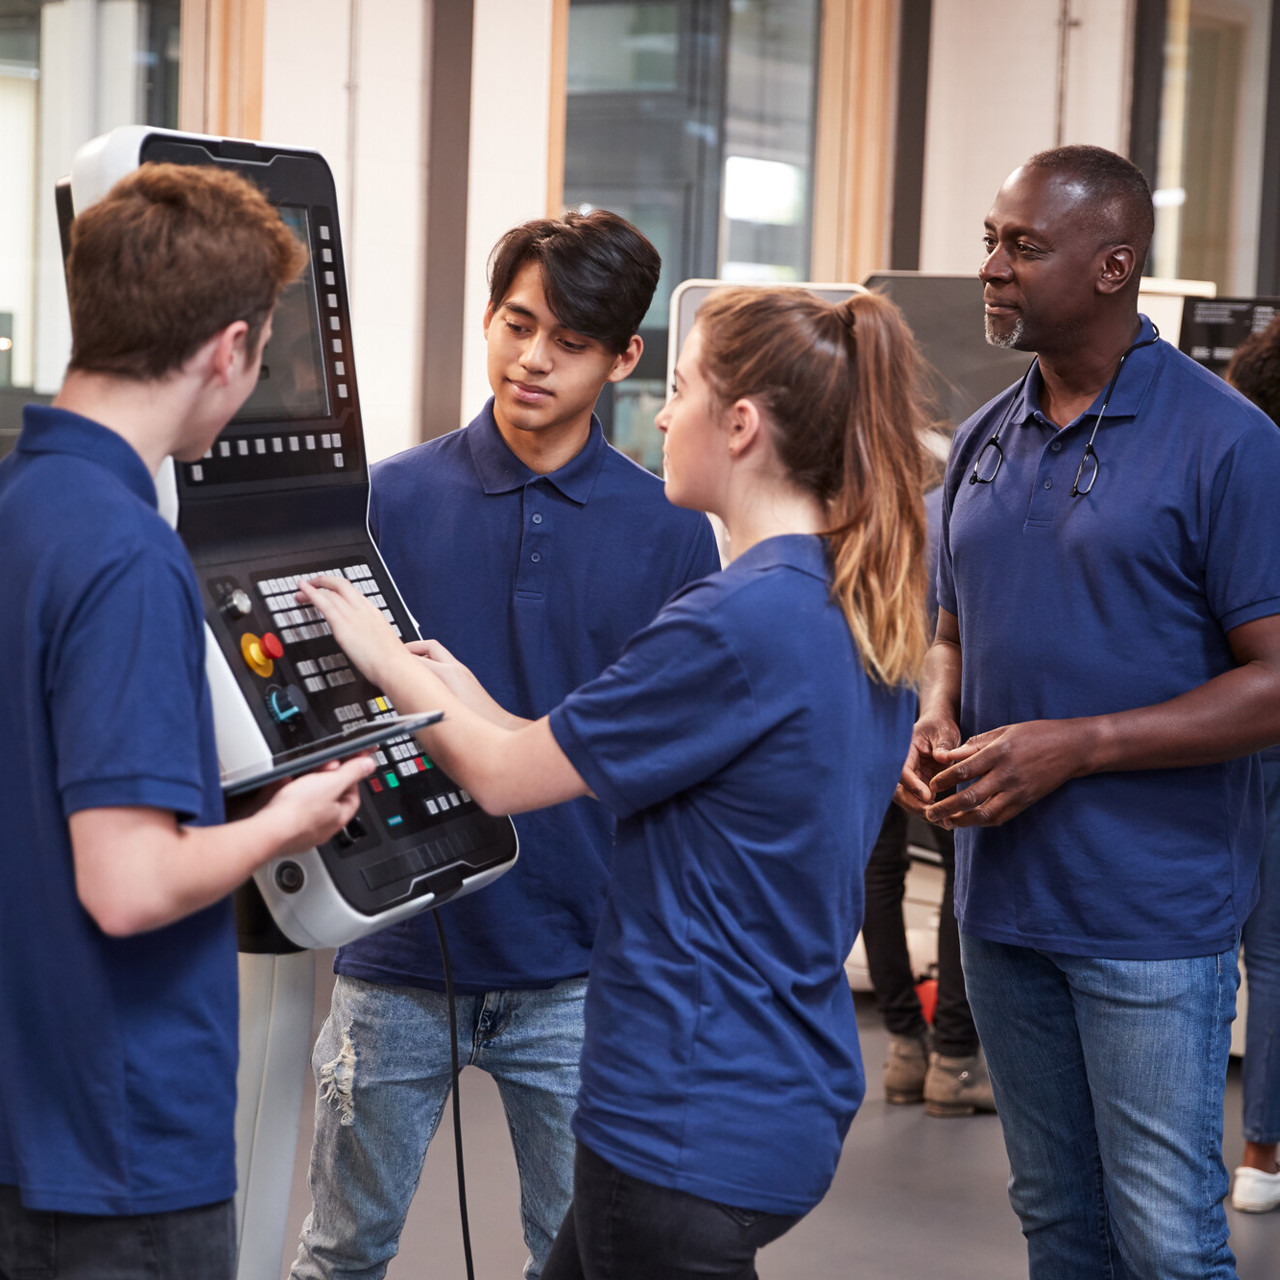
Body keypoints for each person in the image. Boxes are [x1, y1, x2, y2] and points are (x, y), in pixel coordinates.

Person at [295, 283, 932, 1280]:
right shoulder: (834, 597)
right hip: (770, 1088)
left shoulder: (732, 623)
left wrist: (378, 655)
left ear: (741, 425)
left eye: (677, 391)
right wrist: (462, 689)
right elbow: (577, 756)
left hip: (686, 1110)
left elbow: (504, 778)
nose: (664, 415)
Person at [290, 211, 720, 1280]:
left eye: (569, 342)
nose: (532, 359)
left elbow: (672, 755)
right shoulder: (385, 497)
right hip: (394, 949)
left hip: (577, 967)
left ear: (624, 358)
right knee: (340, 1252)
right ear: (487, 318)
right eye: (516, 323)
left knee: (573, 1258)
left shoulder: (670, 526)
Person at [896, 143, 1280, 1279]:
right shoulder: (982, 438)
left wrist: (1081, 745)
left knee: (1165, 1240)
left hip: (1150, 920)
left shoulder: (1229, 444)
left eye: (1023, 246)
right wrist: (934, 709)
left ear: (1112, 265)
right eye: (989, 241)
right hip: (1002, 908)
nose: (992, 269)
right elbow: (950, 627)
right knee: (1058, 1228)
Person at [0, 163, 373, 1280]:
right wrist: (288, 818)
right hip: (120, 1148)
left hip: (28, 1106)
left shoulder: (22, 507)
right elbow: (128, 881)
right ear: (229, 350)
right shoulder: (125, 556)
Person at [865, 485, 994, 1117]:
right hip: (939, 719)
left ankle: (903, 1050)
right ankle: (954, 1058)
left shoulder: (884, 511)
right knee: (957, 873)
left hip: (867, 710)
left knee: (878, 873)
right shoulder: (971, 507)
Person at [1224, 316, 1280, 1213]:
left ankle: (1252, 1154)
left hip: (1243, 729)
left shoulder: (1238, 469)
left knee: (1253, 946)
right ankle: (1263, 1155)